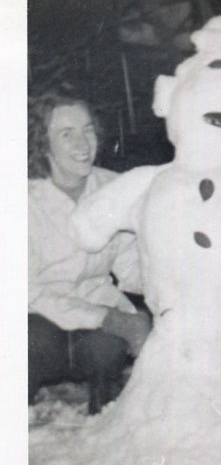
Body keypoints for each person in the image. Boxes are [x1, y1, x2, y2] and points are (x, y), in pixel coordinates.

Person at [28, 86, 152, 414]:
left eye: (88, 130)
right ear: (43, 143)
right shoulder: (19, 198)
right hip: (36, 320)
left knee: (107, 350)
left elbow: (131, 265)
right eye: (67, 134)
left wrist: (168, 289)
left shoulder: (115, 188)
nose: (83, 144)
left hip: (97, 317)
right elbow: (26, 293)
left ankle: (104, 414)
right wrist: (109, 318)